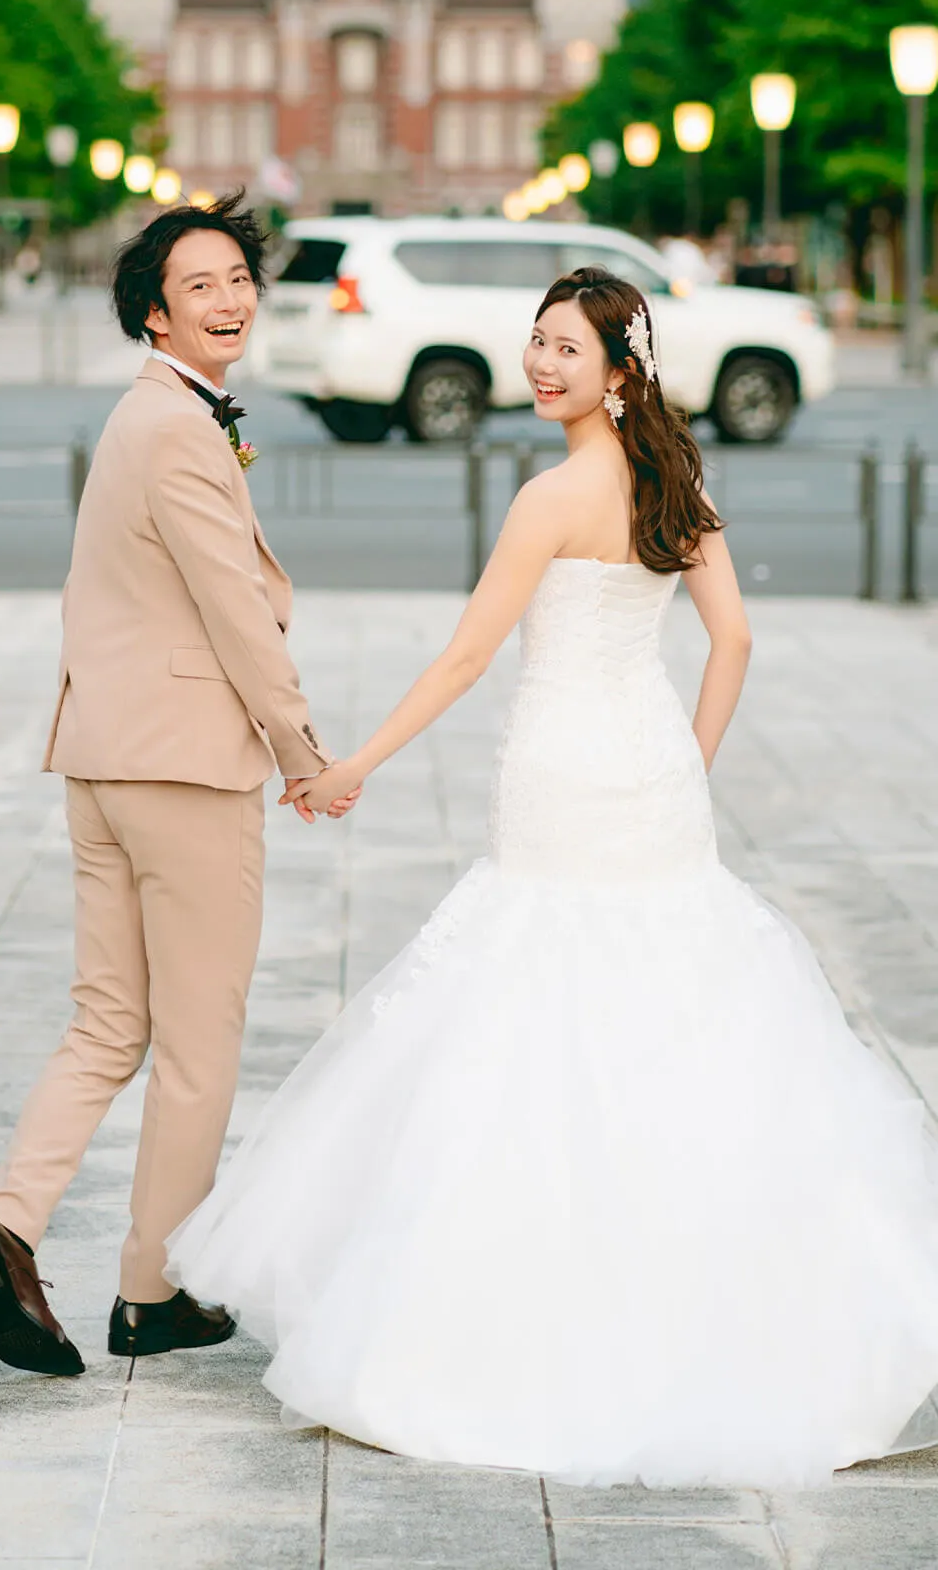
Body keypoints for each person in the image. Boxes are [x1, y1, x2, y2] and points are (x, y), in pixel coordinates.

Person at [167, 266, 938, 1487]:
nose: (540, 364)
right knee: (677, 1020)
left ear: (619, 369)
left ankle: (519, 1317)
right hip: (651, 777)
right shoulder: (676, 483)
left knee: (533, 1006)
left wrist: (352, 760)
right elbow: (733, 638)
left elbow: (472, 654)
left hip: (561, 778)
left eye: (565, 349)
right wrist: (691, 761)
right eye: (535, 343)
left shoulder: (549, 496)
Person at [0, 193, 357, 1376]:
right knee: (196, 1046)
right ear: (153, 313)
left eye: (238, 277)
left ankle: (7, 1224)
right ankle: (152, 1290)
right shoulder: (178, 430)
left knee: (107, 1023)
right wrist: (305, 757)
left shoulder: (152, 416)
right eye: (201, 287)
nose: (229, 300)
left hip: (105, 759)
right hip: (184, 769)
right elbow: (235, 610)